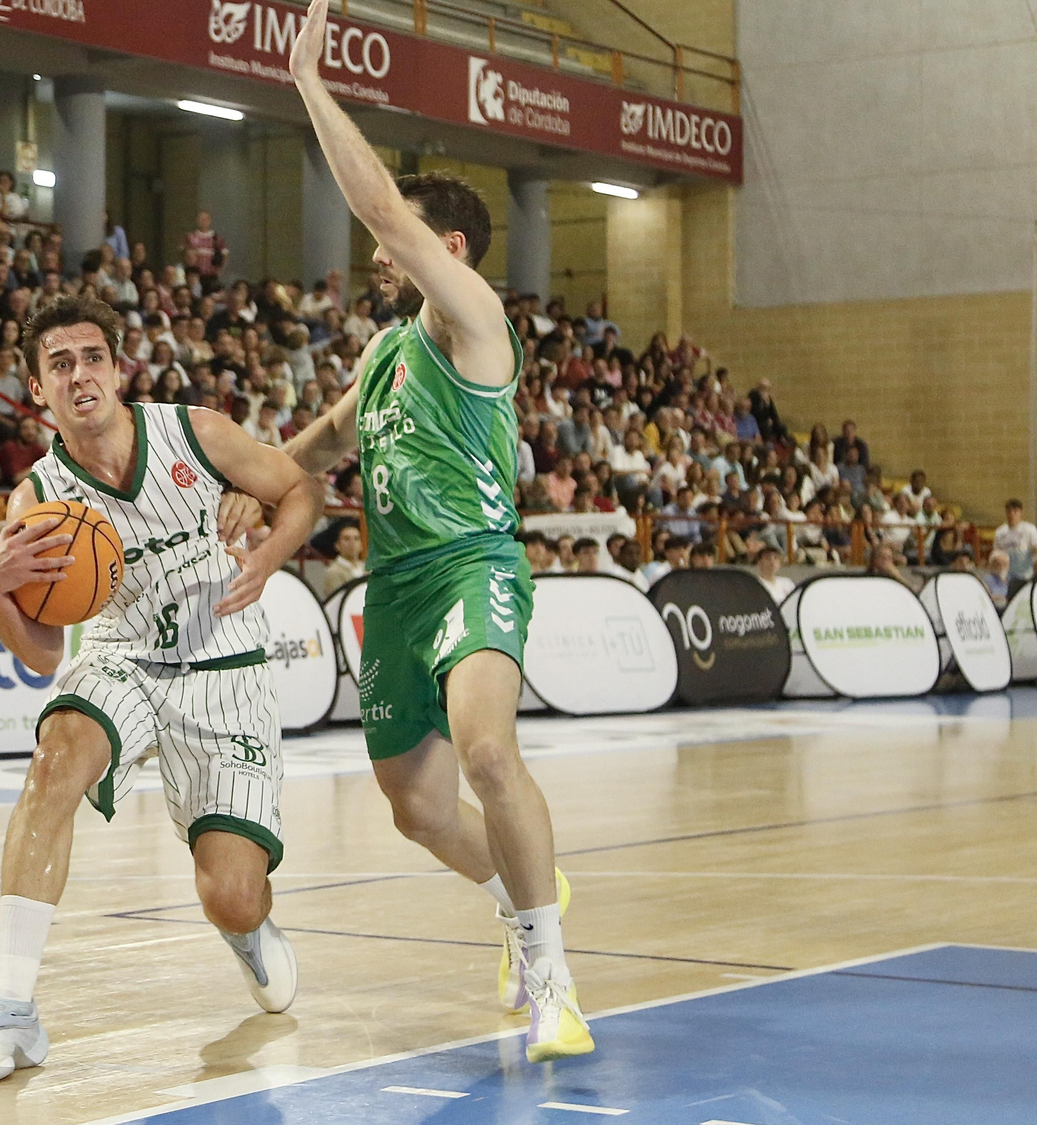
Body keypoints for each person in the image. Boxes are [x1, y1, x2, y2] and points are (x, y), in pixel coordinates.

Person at [279, 0, 587, 1065]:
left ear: (446, 247)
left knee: (486, 749)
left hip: (471, 563)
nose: (375, 251)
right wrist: (234, 483)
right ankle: (522, 894)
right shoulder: (378, 358)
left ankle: (552, 979)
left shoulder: (471, 320)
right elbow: (314, 447)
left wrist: (311, 84)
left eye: (399, 236)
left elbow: (380, 215)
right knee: (414, 809)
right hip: (394, 585)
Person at [0, 293, 319, 1085]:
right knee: (54, 762)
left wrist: (269, 554)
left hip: (227, 668)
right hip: (124, 661)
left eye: (93, 357)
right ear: (37, 389)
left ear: (118, 367)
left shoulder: (196, 433)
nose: (80, 374)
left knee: (233, 894)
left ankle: (247, 928)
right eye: (59, 363)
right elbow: (43, 658)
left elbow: (300, 489)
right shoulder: (37, 502)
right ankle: (13, 1010)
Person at [993, 499, 1037, 582]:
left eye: (1015, 511)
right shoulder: (1000, 532)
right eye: (1009, 511)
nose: (1012, 515)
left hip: (1026, 576)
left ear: (1020, 513)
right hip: (1007, 577)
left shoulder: (1029, 529)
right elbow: (996, 554)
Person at [321, 522, 368, 598]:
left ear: (361, 545)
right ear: (337, 545)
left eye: (356, 538)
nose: (352, 542)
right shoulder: (333, 572)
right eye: (346, 538)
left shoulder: (368, 569)